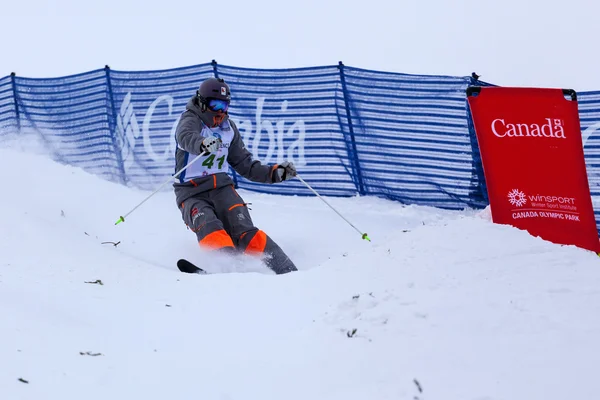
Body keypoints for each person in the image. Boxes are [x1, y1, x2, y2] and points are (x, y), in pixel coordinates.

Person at [173, 77, 297, 274]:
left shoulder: (228, 129)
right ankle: (227, 268)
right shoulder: (190, 119)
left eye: (225, 105)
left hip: (222, 189)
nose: (221, 111)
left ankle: (286, 269)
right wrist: (202, 144)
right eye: (215, 104)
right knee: (210, 225)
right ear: (202, 103)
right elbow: (186, 137)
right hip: (192, 193)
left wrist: (275, 174)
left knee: (244, 230)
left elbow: (244, 164)